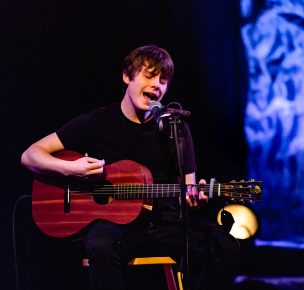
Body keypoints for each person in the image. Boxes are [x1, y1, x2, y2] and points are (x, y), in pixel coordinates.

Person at [21, 44, 240, 290]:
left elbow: (187, 188)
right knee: (101, 243)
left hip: (165, 226)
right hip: (117, 229)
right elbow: (30, 155)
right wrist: (73, 170)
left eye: (164, 80)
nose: (158, 85)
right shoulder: (98, 121)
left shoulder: (176, 128)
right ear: (127, 77)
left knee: (226, 246)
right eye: (150, 76)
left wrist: (194, 197)